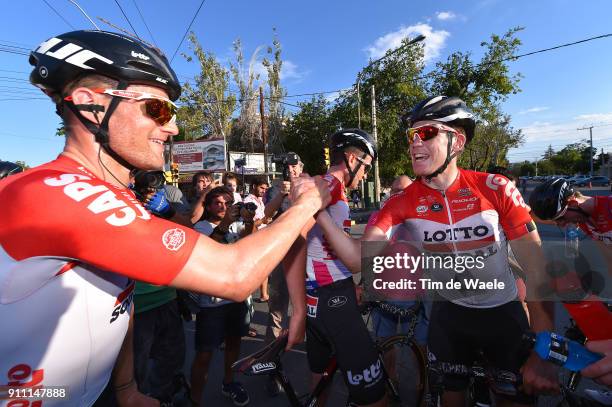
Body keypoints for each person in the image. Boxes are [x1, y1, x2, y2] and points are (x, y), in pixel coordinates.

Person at [0, 30, 330, 407]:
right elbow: (234, 275)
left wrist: (125, 389)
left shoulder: (110, 194)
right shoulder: (52, 192)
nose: (173, 127)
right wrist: (305, 204)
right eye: (158, 109)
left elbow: (118, 303)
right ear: (91, 105)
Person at [314, 96, 559, 406]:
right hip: (449, 318)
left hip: (502, 315)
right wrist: (317, 211)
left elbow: (539, 273)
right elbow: (356, 258)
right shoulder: (402, 200)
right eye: (411, 136)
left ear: (456, 141)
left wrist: (545, 350)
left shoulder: (494, 188)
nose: (415, 143)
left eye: (427, 133)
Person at [285, 129, 387, 407]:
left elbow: (320, 249)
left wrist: (302, 307)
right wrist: (297, 311)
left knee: (321, 376)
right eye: (366, 167)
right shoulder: (327, 186)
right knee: (376, 396)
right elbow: (295, 244)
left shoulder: (333, 189)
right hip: (333, 303)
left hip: (322, 297)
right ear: (353, 159)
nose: (366, 174)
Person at [529, 178, 612, 387]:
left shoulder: (608, 208)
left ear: (574, 201)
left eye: (561, 218)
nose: (561, 224)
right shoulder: (585, 219)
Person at [190, 187, 256, 407]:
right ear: (208, 207)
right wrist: (226, 223)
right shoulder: (201, 227)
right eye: (218, 203)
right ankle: (195, 399)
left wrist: (248, 221)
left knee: (233, 344)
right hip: (212, 303)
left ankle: (229, 383)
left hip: (236, 297)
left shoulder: (234, 224)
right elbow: (210, 252)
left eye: (228, 203)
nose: (223, 207)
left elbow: (249, 244)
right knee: (204, 354)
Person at [263, 153, 304, 396]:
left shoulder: (312, 184)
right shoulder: (275, 189)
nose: (291, 170)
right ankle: (272, 368)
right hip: (281, 255)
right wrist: (281, 194)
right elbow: (266, 216)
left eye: (294, 166)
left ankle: (319, 362)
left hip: (307, 255)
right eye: (287, 166)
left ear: (301, 167)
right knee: (277, 312)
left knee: (312, 310)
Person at [244, 176, 272, 302]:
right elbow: (249, 224)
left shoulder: (260, 201)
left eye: (265, 188)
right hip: (253, 239)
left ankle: (264, 294)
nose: (264, 190)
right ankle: (245, 294)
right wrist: (263, 221)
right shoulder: (248, 201)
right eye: (261, 187)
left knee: (264, 268)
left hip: (263, 237)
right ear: (254, 186)